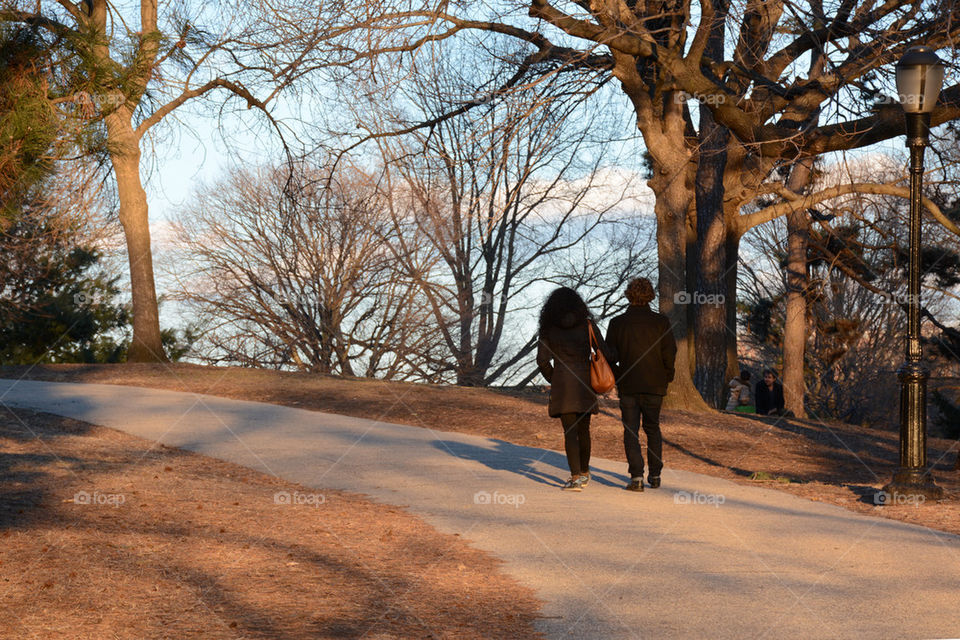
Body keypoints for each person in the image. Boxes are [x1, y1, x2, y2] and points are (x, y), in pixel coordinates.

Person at [536, 287, 613, 492]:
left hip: (563, 385)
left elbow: (542, 361)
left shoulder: (548, 329)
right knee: (584, 430)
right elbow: (604, 351)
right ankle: (586, 472)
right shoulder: (586, 325)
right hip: (585, 383)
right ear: (578, 304)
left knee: (570, 432)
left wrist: (556, 377)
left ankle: (576, 477)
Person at [605, 278, 677, 492]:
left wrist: (619, 375)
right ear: (650, 296)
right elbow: (669, 352)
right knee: (653, 428)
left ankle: (636, 476)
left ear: (629, 295)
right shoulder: (661, 322)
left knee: (631, 430)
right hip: (655, 384)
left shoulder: (617, 323)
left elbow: (610, 355)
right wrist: (667, 375)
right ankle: (655, 474)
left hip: (629, 384)